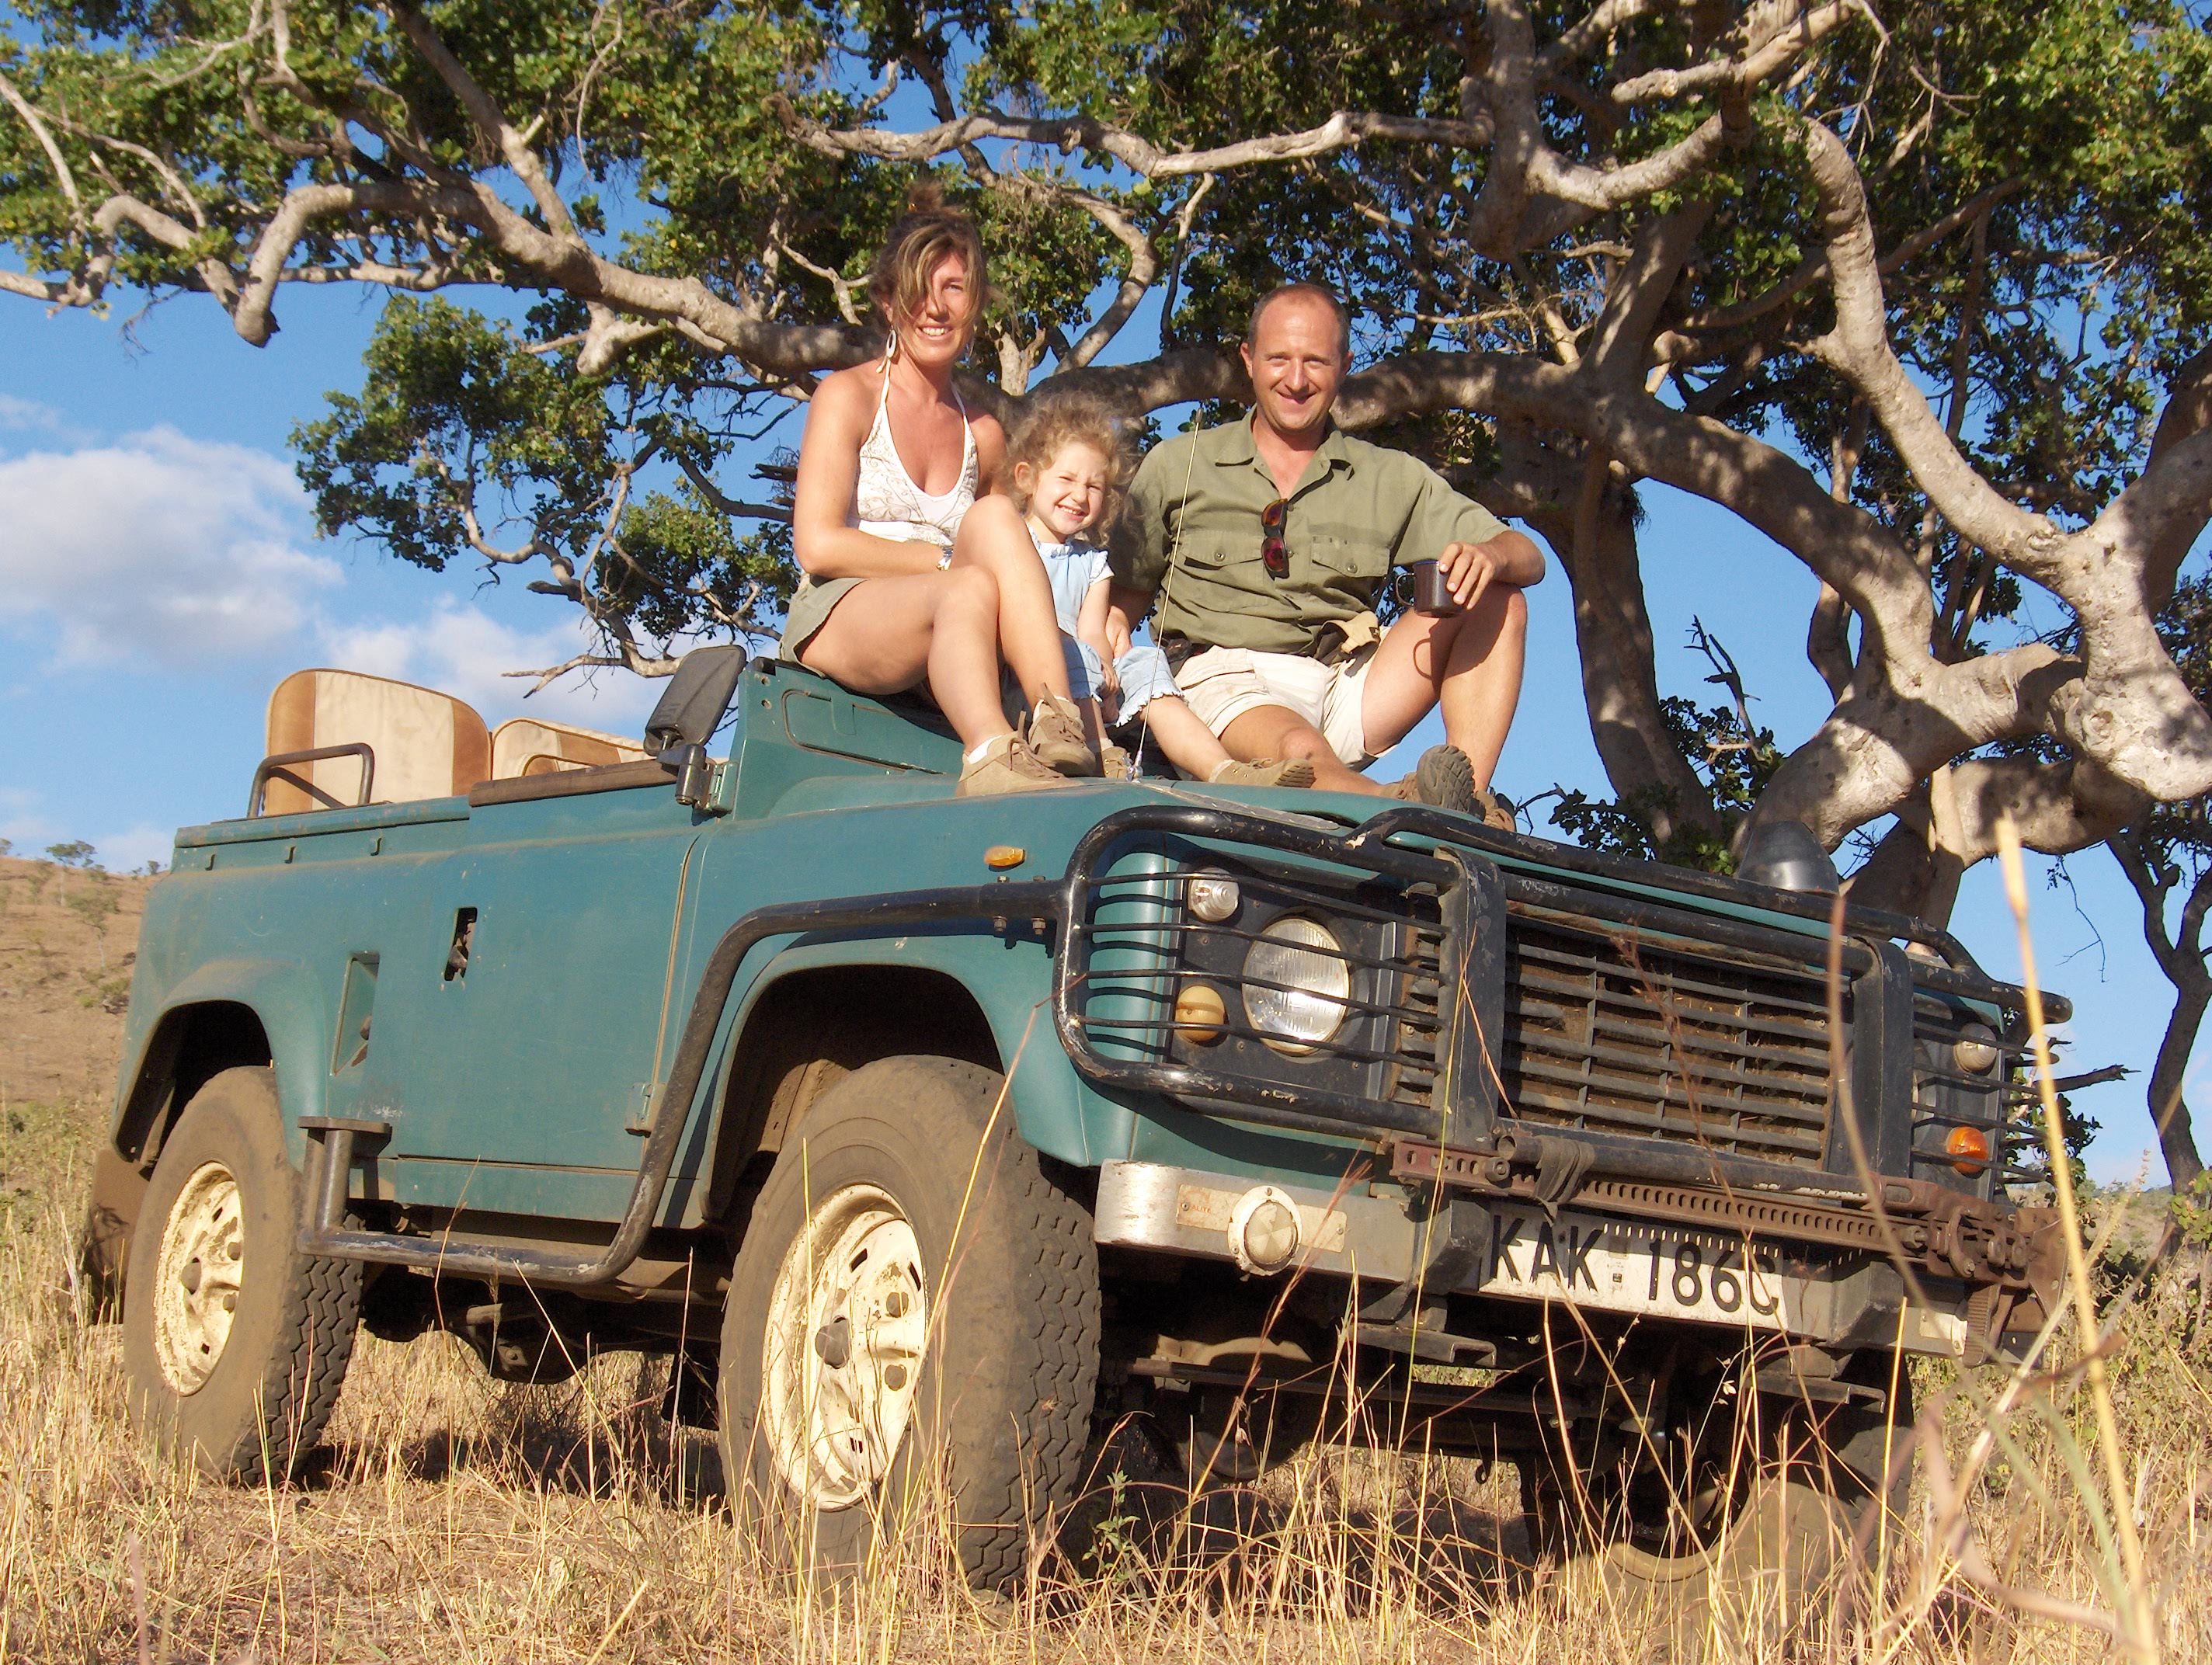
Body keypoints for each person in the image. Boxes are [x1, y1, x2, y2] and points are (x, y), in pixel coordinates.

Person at [1108, 282, 1546, 824]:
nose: (1296, 380)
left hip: (1342, 682)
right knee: (1298, 749)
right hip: (1221, 683)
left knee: (1501, 599)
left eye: (1315, 361)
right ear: (1248, 360)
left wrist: (1493, 559)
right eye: (1279, 359)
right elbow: (1117, 608)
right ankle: (1407, 810)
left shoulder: (1389, 475)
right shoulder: (1177, 463)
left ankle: (1467, 800)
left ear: (1344, 365)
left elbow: (1527, 554)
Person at [783, 188, 1099, 795]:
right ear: (886, 300)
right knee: (968, 586)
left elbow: (1022, 561)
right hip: (846, 609)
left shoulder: (983, 431)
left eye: (953, 288)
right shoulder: (846, 397)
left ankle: (1060, 718)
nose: (935, 307)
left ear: (975, 303)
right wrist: (942, 563)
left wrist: (1098, 629)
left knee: (999, 522)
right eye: (918, 289)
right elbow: (818, 546)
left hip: (954, 624)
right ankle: (989, 753)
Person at [1007, 400, 1316, 791]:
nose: (1079, 496)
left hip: (1088, 687)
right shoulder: (1012, 542)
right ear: (1026, 479)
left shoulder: (1093, 564)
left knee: (1145, 662)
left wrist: (1108, 675)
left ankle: (1223, 770)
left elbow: (1093, 630)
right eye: (1066, 480)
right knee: (1070, 650)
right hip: (1030, 684)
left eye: (1093, 486)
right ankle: (1100, 752)